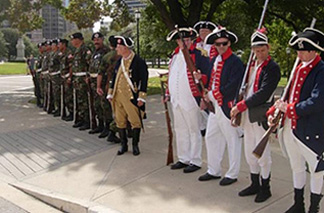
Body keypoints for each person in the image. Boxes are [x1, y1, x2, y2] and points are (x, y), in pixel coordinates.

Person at [268, 28, 324, 213]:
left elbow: (317, 102)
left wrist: (290, 109)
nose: (298, 54)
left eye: (303, 50)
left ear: (313, 51)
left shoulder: (321, 70)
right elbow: (288, 96)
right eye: (298, 50)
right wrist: (274, 111)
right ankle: (298, 204)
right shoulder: (297, 68)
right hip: (291, 128)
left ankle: (313, 208)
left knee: (317, 171)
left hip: (310, 130)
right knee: (296, 167)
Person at [230, 29, 281, 202]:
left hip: (260, 115)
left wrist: (241, 106)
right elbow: (245, 88)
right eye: (256, 51)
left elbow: (263, 92)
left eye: (262, 50)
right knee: (249, 151)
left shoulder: (272, 68)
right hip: (247, 115)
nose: (259, 54)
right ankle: (254, 183)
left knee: (263, 154)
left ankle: (265, 187)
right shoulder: (252, 66)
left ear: (268, 48)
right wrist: (237, 103)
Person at [198, 27, 244, 185]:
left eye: (224, 43)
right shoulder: (214, 60)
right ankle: (214, 170)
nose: (221, 46)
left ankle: (232, 173)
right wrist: (201, 78)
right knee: (211, 136)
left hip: (227, 106)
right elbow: (211, 79)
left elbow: (233, 85)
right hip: (215, 106)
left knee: (232, 140)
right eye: (217, 44)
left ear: (229, 43)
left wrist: (212, 95)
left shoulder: (236, 62)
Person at [164, 27, 210, 173]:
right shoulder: (175, 56)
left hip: (191, 98)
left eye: (187, 40)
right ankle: (183, 158)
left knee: (193, 129)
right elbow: (172, 76)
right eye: (181, 40)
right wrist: (167, 92)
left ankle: (195, 160)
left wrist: (204, 97)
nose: (184, 43)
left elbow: (208, 76)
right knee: (180, 129)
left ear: (191, 40)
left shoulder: (199, 55)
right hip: (176, 99)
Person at [107, 36, 148, 156]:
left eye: (119, 47)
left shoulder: (138, 61)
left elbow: (144, 80)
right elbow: (114, 78)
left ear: (125, 47)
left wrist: (141, 97)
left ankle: (135, 145)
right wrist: (110, 93)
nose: (116, 49)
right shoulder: (120, 61)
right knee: (120, 121)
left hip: (131, 97)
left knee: (135, 121)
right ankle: (123, 145)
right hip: (118, 96)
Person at [193, 21, 218, 137]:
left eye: (206, 32)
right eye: (201, 31)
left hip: (210, 76)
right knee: (198, 104)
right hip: (196, 77)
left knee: (209, 103)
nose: (203, 33)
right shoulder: (196, 45)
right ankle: (203, 126)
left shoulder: (215, 47)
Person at [97, 35, 121, 142]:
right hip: (121, 86)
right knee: (121, 108)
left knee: (108, 108)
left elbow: (100, 73)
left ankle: (108, 127)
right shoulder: (123, 55)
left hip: (108, 85)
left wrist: (98, 86)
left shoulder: (106, 57)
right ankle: (113, 130)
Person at [87, 32, 109, 133]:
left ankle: (107, 127)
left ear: (102, 39)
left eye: (98, 40)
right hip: (93, 81)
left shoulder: (106, 51)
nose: (96, 42)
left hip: (103, 82)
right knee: (96, 105)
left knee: (104, 105)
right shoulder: (94, 52)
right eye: (95, 40)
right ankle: (100, 125)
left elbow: (109, 67)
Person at [69, 32, 92, 131]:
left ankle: (87, 121)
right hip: (77, 79)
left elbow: (90, 64)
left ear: (78, 39)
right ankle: (81, 119)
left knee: (84, 101)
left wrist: (88, 76)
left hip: (83, 79)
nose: (72, 41)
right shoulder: (77, 50)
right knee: (79, 100)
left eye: (73, 39)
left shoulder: (85, 50)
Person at [58, 38, 73, 121]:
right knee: (64, 96)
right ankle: (67, 112)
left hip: (67, 77)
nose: (58, 46)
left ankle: (71, 113)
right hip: (62, 77)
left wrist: (70, 77)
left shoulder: (68, 53)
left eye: (59, 44)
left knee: (69, 96)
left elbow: (71, 66)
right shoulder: (61, 54)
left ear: (64, 44)